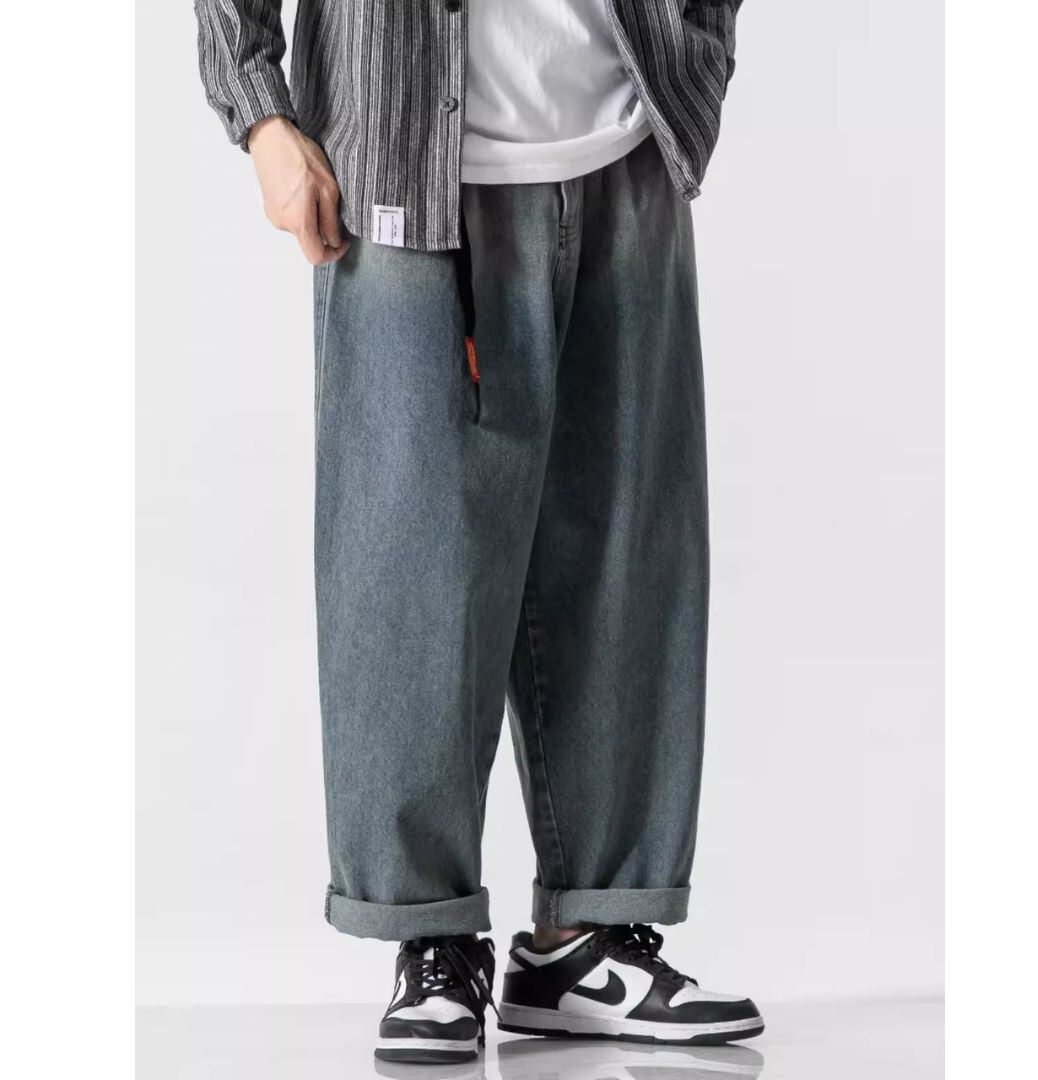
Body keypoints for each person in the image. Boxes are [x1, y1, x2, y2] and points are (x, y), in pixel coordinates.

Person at [196, 0, 762, 1064]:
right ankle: (432, 940)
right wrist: (262, 115)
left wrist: (698, 59)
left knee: (629, 555)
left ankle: (587, 939)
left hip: (626, 145)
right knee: (411, 572)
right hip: (403, 160)